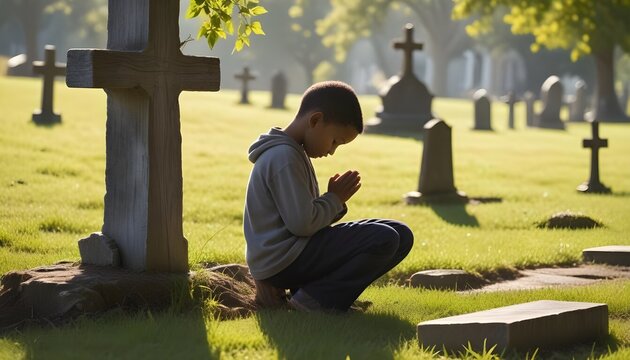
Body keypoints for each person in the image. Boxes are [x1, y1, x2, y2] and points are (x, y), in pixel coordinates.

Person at [243, 81, 413, 312]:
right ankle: (314, 301)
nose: (332, 151)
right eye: (335, 141)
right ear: (315, 120)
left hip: (293, 253)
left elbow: (303, 220)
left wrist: (334, 201)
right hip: (282, 261)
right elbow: (302, 224)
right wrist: (334, 199)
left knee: (400, 233)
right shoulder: (283, 157)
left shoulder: (293, 152)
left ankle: (324, 297)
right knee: (385, 238)